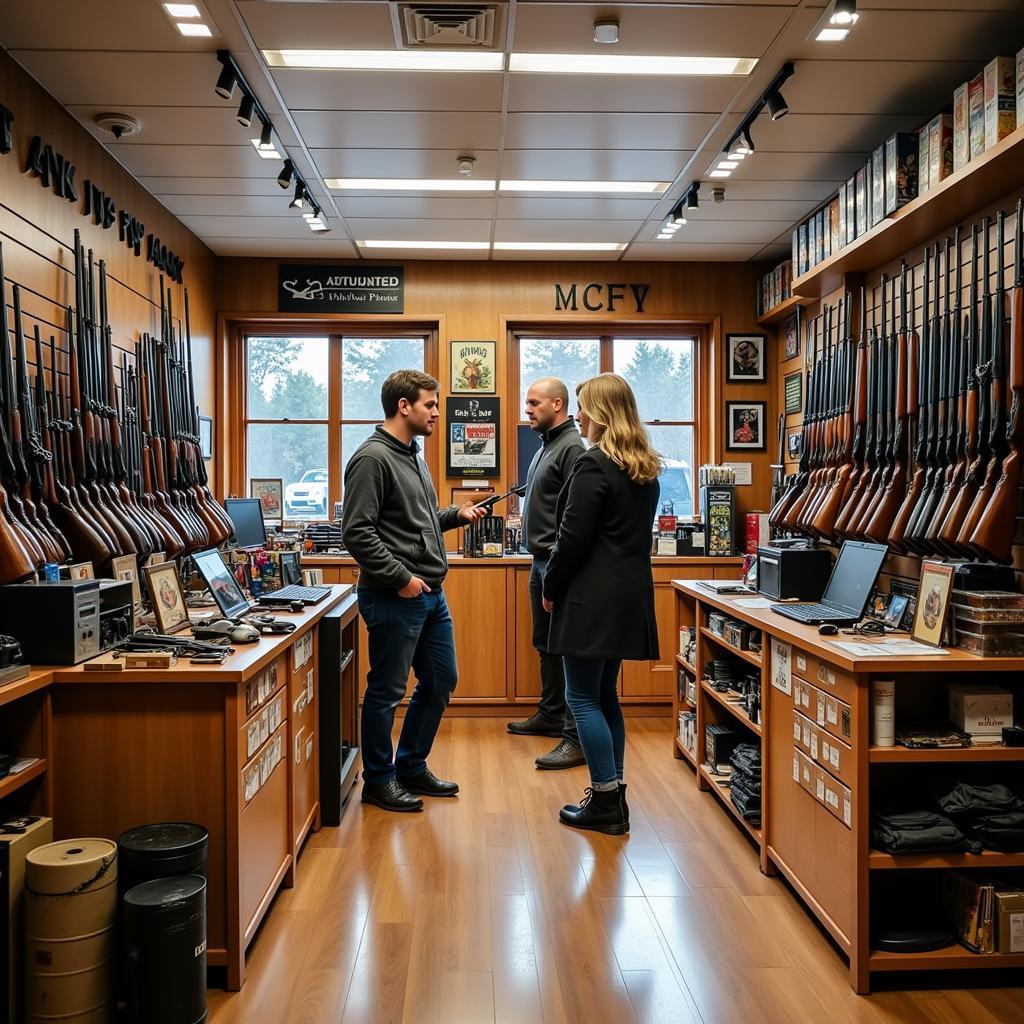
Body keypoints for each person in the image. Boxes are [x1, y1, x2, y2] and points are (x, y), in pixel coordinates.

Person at [342, 369, 486, 813]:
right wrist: (401, 578)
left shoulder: (414, 456)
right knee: (386, 690)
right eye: (430, 405)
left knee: (442, 680)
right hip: (393, 595)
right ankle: (379, 780)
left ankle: (410, 765)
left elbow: (415, 523)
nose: (437, 413)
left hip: (430, 594)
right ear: (404, 406)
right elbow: (357, 533)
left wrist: (454, 515)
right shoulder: (372, 459)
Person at [542, 373, 661, 835]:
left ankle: (605, 801)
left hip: (589, 596)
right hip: (629, 593)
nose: (578, 416)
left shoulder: (594, 466)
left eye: (584, 407)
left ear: (601, 414)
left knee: (581, 698)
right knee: (605, 694)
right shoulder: (644, 470)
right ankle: (613, 794)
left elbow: (571, 540)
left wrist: (551, 586)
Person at [507, 377, 587, 770]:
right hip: (538, 560)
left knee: (567, 648)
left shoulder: (572, 447)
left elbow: (575, 516)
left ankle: (573, 736)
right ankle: (551, 713)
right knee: (546, 643)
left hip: (555, 561)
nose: (528, 410)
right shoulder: (548, 445)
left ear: (558, 405)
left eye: (534, 403)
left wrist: (555, 566)